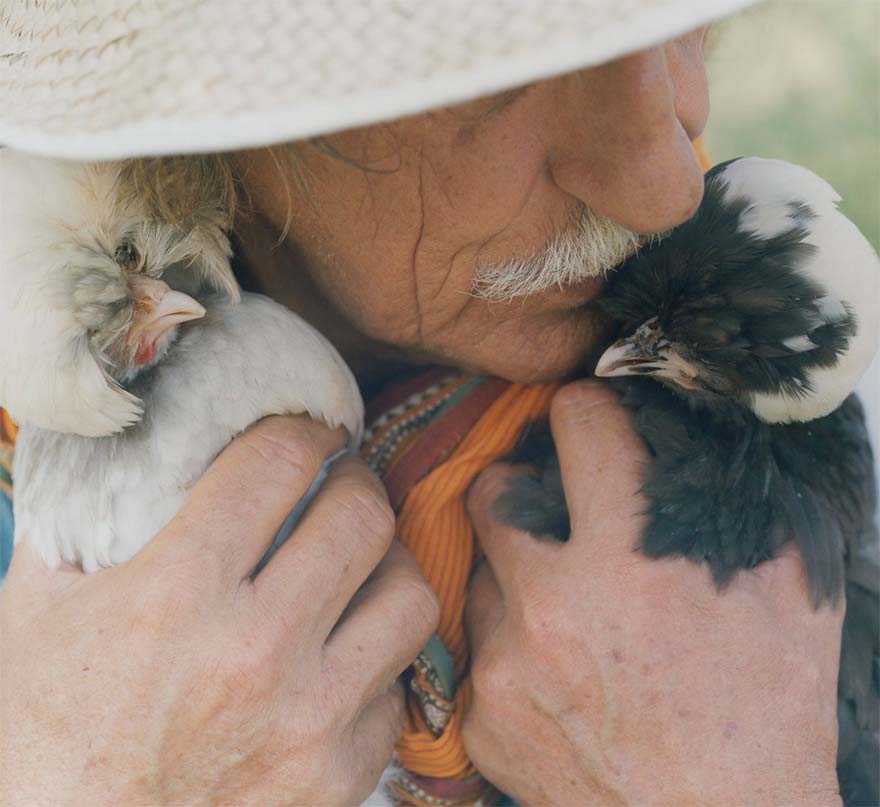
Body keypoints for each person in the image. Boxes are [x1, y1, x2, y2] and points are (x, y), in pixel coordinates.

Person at [0, 1, 853, 805]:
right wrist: (77, 775)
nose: (667, 183)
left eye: (677, 14)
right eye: (505, 67)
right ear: (199, 128)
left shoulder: (802, 369)